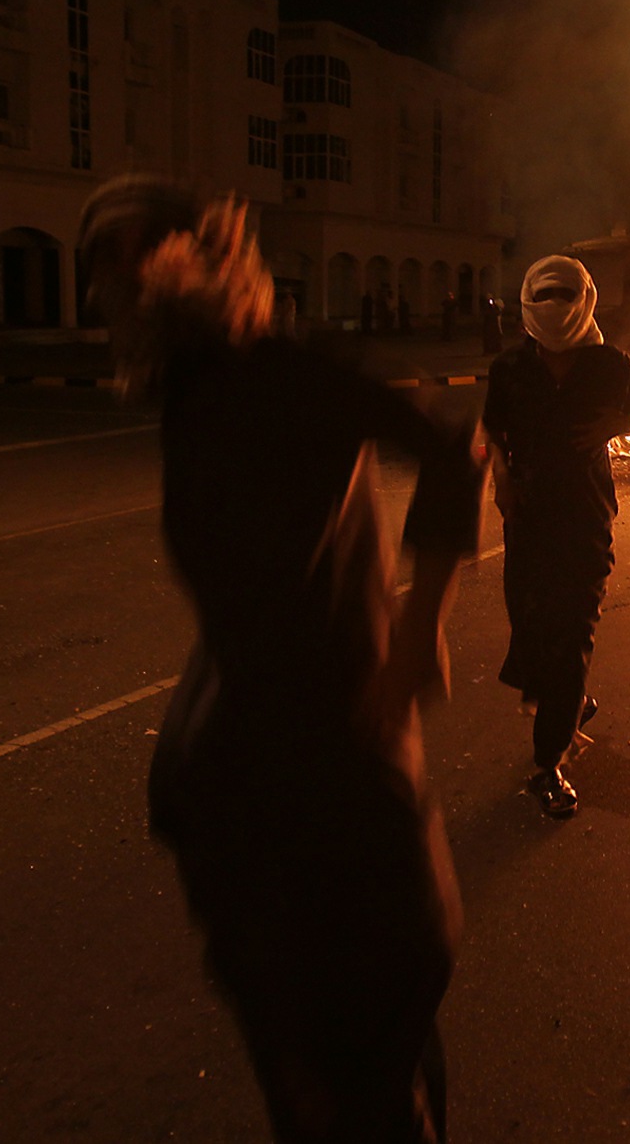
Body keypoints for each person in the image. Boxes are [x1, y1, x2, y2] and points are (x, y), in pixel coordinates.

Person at [78, 174, 482, 1143]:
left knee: (350, 1070)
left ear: (193, 265)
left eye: (126, 260)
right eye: (94, 268)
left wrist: (423, 622)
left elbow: (452, 437)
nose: (106, 289)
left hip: (326, 774)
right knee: (338, 1063)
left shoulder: (273, 370)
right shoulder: (196, 384)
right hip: (251, 770)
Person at [483, 255, 630, 818]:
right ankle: (567, 700)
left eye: (564, 294)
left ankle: (548, 764)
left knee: (574, 630)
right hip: (526, 517)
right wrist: (500, 476)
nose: (555, 304)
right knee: (531, 624)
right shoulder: (510, 369)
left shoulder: (610, 364)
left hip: (585, 518)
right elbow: (493, 430)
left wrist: (616, 426)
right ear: (530, 299)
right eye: (545, 293)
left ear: (584, 299)